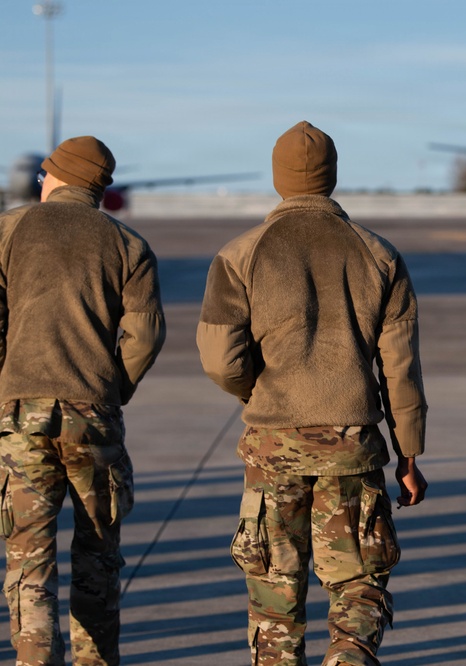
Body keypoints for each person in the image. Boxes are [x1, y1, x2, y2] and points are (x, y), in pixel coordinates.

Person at [197, 121, 428, 666]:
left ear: (279, 177)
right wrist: (410, 455)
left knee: (275, 596)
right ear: (332, 175)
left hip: (273, 447)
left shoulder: (240, 254)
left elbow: (219, 358)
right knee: (359, 585)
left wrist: (262, 393)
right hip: (354, 451)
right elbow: (401, 369)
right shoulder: (379, 254)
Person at [0, 136, 165, 665]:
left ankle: (33, 659)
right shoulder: (129, 245)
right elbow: (145, 336)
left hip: (21, 413)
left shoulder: (8, 229)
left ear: (52, 177)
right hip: (93, 415)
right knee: (98, 556)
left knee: (28, 557)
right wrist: (112, 390)